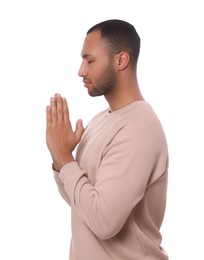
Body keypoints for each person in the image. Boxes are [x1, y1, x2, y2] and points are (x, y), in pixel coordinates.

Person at [46, 19, 169, 260]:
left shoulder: (139, 127)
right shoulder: (101, 120)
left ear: (121, 60)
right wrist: (61, 159)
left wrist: (64, 157)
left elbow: (104, 222)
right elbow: (80, 203)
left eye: (89, 60)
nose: (81, 70)